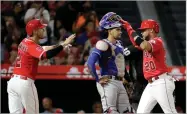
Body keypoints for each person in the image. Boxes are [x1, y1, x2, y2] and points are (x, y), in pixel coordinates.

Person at [7, 19, 75, 114]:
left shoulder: (24, 41)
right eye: (41, 28)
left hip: (13, 83)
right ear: (35, 31)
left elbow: (42, 48)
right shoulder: (31, 45)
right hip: (24, 83)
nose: (43, 30)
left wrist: (62, 44)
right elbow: (47, 55)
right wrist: (62, 46)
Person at [119, 18, 177, 113]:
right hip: (151, 84)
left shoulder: (157, 41)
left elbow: (143, 45)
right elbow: (136, 43)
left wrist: (129, 27)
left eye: (144, 30)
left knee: (170, 112)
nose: (141, 32)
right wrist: (128, 28)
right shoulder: (147, 43)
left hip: (161, 82)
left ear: (151, 30)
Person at [87, 12, 133, 113]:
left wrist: (128, 81)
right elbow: (90, 63)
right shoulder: (103, 44)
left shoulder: (120, 44)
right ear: (109, 31)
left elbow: (121, 66)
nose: (120, 31)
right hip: (109, 82)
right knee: (110, 111)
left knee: (127, 112)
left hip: (120, 82)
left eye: (120, 29)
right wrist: (97, 79)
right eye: (117, 29)